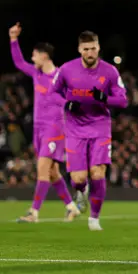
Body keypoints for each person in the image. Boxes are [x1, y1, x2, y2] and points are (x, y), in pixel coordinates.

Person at [51, 31, 128, 231]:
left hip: (100, 127)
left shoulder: (110, 72)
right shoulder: (67, 69)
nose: (90, 52)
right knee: (78, 179)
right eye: (86, 49)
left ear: (98, 47)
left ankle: (94, 218)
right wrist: (66, 104)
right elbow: (54, 93)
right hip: (75, 129)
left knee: (97, 172)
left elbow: (123, 100)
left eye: (93, 48)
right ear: (79, 50)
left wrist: (104, 99)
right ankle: (81, 190)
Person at [9, 23, 80, 223]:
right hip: (38, 129)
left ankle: (34, 213)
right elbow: (19, 62)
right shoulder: (37, 74)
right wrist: (13, 39)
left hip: (55, 128)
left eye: (34, 55)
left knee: (42, 168)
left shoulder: (60, 77)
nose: (32, 59)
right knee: (53, 172)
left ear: (44, 56)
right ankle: (71, 207)